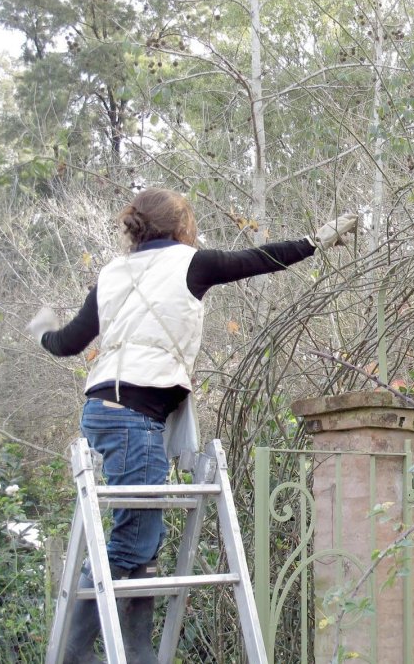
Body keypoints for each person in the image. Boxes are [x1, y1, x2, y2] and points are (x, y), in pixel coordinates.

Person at [28, 188, 356, 664]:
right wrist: (315, 242)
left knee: (143, 539)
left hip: (112, 410)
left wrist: (42, 333)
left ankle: (136, 651)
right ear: (182, 225)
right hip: (129, 417)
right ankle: (75, 654)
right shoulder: (190, 263)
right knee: (133, 542)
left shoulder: (113, 273)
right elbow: (260, 259)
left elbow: (67, 343)